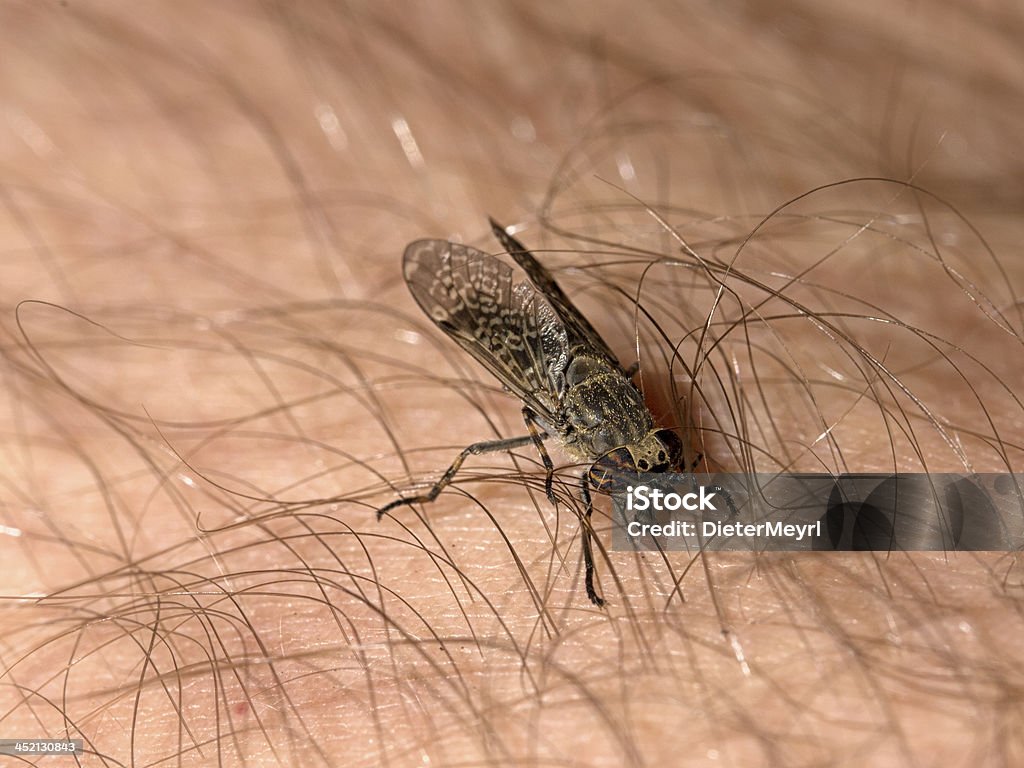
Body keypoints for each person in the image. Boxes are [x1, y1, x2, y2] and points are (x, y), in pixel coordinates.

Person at [1, 3, 1021, 765]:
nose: (648, 476)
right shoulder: (604, 451)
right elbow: (609, 464)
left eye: (650, 466)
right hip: (552, 366)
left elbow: (644, 451)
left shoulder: (640, 448)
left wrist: (664, 469)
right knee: (511, 449)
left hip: (576, 373)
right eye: (644, 466)